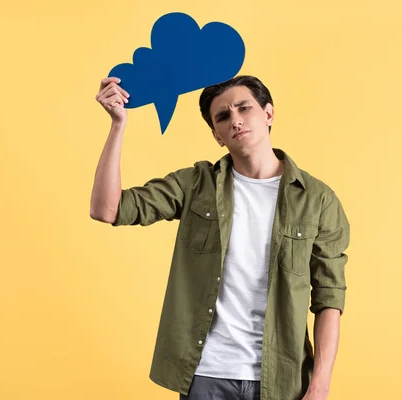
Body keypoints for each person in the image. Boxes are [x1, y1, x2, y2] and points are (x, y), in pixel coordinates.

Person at [90, 75, 350, 400]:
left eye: (244, 108)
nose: (236, 120)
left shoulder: (317, 199)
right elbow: (107, 209)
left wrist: (320, 383)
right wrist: (118, 125)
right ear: (216, 135)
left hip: (283, 379)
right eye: (223, 117)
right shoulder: (197, 185)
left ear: (268, 114)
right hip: (205, 375)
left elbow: (329, 297)